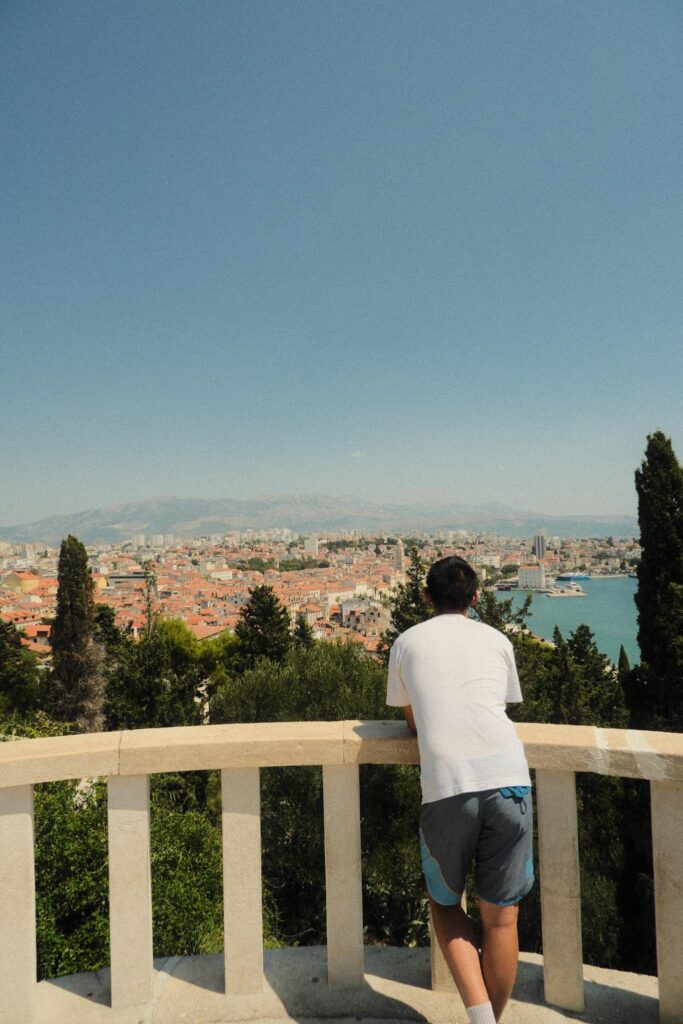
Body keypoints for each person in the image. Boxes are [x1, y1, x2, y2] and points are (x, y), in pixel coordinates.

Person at [387, 555, 533, 1024]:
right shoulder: (497, 639)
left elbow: (412, 719)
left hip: (449, 785)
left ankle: (481, 1021)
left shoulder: (407, 643)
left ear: (426, 597)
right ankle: (493, 1019)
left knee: (446, 906)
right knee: (502, 919)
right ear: (475, 598)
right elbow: (499, 705)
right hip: (511, 778)